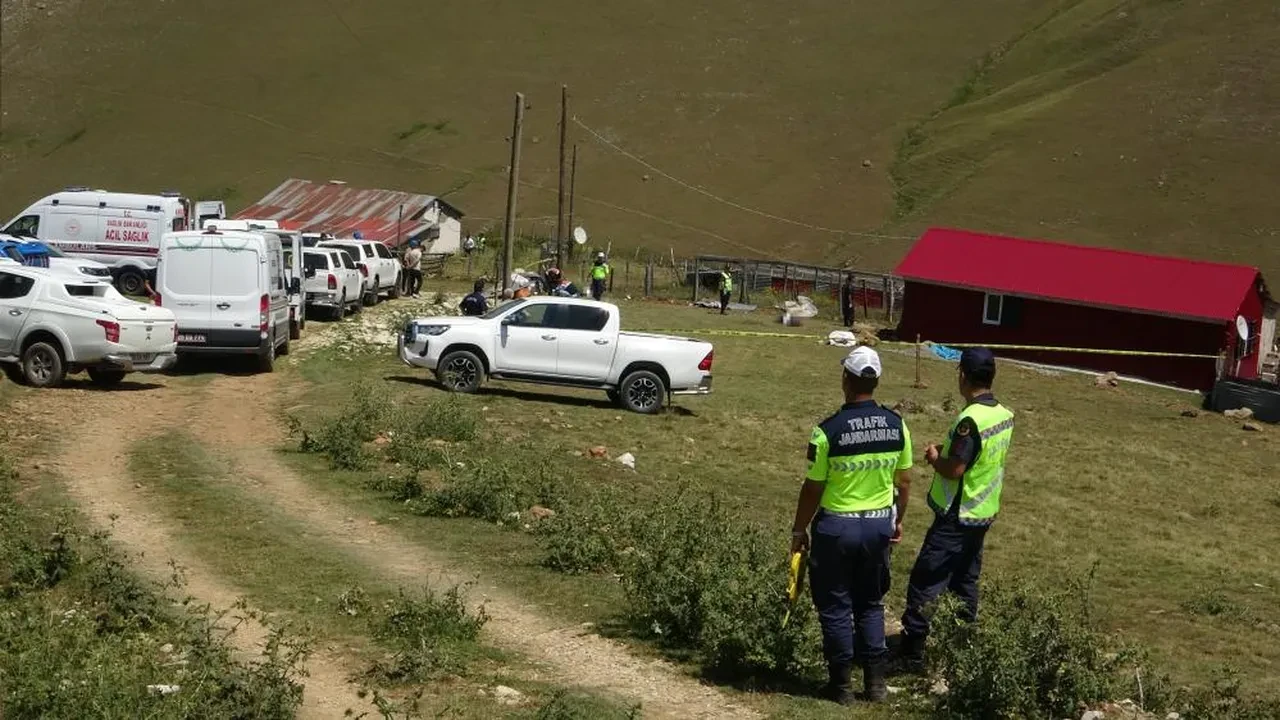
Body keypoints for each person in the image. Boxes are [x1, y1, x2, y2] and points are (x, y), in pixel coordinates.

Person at [791, 346, 913, 705]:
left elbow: (813, 488)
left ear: (846, 378)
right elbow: (905, 481)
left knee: (835, 606)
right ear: (876, 382)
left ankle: (841, 685)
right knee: (871, 603)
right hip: (877, 525)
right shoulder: (897, 425)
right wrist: (897, 520)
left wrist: (799, 530)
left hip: (837, 527)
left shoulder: (827, 431)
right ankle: (875, 684)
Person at [898, 348, 1014, 671]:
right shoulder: (1002, 414)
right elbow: (978, 457)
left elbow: (956, 469)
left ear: (963, 375)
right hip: (981, 513)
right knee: (965, 582)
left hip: (956, 515)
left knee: (926, 580)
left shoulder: (970, 420)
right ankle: (962, 648)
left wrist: (937, 458)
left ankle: (912, 653)